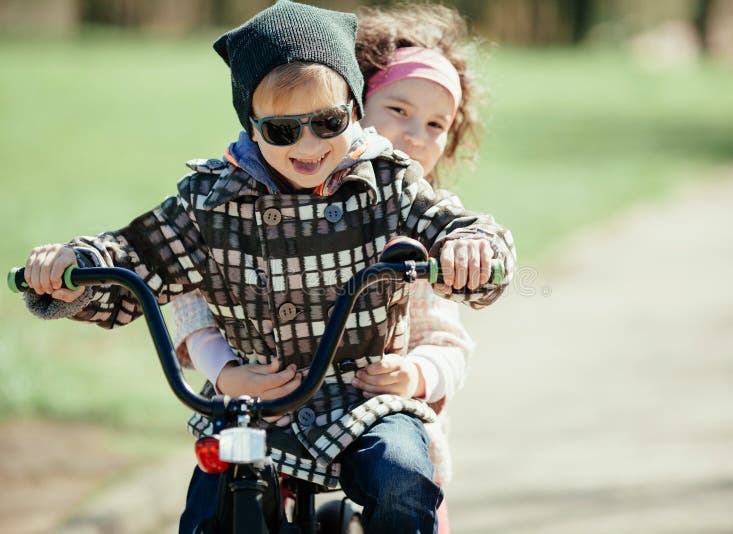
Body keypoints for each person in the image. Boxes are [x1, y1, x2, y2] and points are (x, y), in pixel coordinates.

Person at [21, 2, 514, 533]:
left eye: (328, 123)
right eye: (283, 131)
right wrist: (75, 266)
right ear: (252, 127)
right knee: (210, 505)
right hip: (254, 405)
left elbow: (453, 224)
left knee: (401, 476)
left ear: (353, 107)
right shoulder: (211, 203)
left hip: (365, 399)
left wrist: (472, 248)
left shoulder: (388, 186)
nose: (309, 145)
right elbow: (138, 253)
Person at [170, 4, 486, 532]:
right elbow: (191, 292)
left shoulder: (421, 219)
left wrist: (414, 374)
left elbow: (447, 341)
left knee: (407, 485)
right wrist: (225, 369)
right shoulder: (249, 197)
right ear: (351, 108)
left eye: (436, 125)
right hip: (271, 402)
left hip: (377, 408)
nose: (414, 135)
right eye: (399, 111)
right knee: (214, 500)